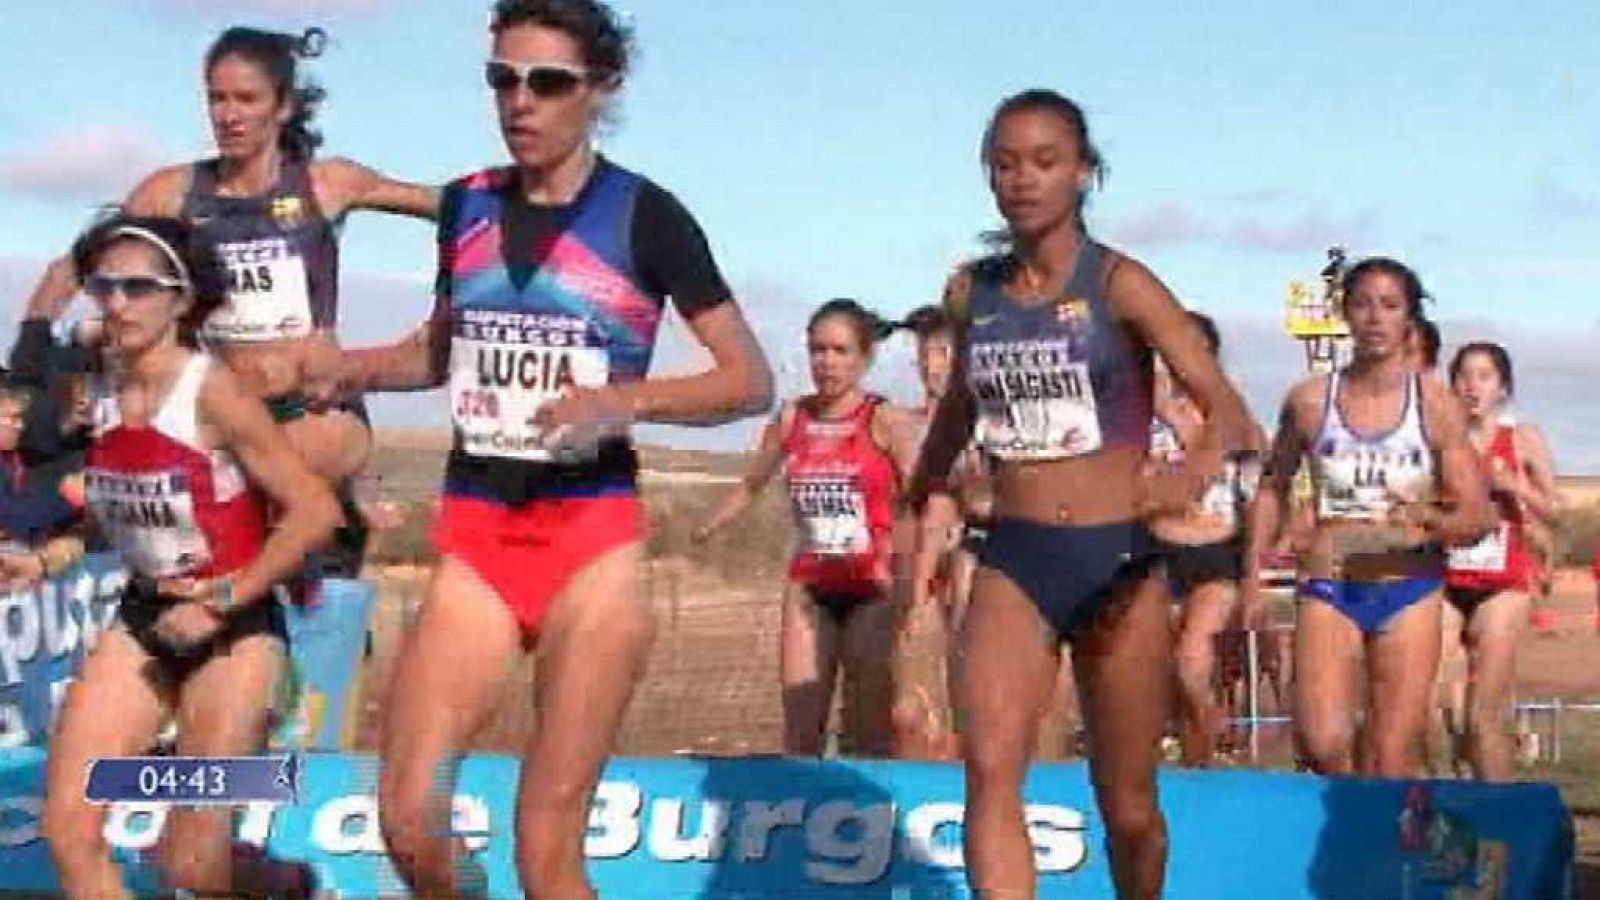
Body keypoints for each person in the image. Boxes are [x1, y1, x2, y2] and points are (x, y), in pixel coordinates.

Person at [331, 2, 772, 894]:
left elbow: (749, 381)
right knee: (409, 822)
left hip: (591, 548)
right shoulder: (468, 208)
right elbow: (439, 350)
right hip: (477, 540)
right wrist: (337, 369)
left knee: (546, 847)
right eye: (503, 78)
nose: (519, 101)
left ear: (598, 90)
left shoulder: (647, 215)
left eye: (548, 82)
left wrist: (623, 400)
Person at [910, 89, 1258, 900]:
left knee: (1128, 805)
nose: (1023, 179)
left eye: (1045, 161)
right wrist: (925, 483)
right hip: (1017, 557)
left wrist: (1186, 476)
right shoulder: (972, 292)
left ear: (1083, 172)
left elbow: (1229, 412)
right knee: (991, 775)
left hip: (1118, 560)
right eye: (1005, 163)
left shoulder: (1121, 283)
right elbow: (961, 404)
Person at [22, 24, 437, 578]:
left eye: (247, 99)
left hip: (310, 412)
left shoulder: (326, 184)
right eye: (217, 98)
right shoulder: (172, 192)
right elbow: (79, 262)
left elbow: (457, 209)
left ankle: (329, 525)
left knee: (249, 500)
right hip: (219, 410)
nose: (229, 115)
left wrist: (462, 298)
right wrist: (34, 331)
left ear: (283, 106)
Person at [38, 215, 340, 898]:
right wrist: (49, 556)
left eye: (139, 286)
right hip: (144, 618)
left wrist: (224, 601)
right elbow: (124, 506)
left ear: (182, 299)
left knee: (191, 865)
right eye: (103, 285)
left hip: (235, 631)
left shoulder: (214, 392)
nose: (117, 302)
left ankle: (286, 887)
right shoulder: (100, 390)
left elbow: (315, 510)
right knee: (68, 832)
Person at [1245, 257, 1492, 779]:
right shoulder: (1311, 400)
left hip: (1409, 584)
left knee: (1390, 756)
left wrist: (1429, 520)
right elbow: (1272, 484)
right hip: (1330, 582)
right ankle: (1353, 807)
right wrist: (1252, 576)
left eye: (1390, 305)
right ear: (1345, 314)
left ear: (1409, 318)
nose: (1375, 317)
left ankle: (1378, 850)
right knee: (1320, 739)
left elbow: (1476, 512)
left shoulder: (1435, 404)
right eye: (1362, 304)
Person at [698, 300, 916, 757]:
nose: (827, 363)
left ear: (864, 358)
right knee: (800, 729)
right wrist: (707, 525)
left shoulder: (882, 420)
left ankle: (873, 816)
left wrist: (913, 570)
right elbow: (752, 482)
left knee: (867, 730)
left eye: (840, 351)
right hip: (810, 587)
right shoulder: (792, 417)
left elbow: (921, 497)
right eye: (818, 350)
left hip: (871, 588)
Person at [1148, 312, 1265, 766]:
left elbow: (1255, 496)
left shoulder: (1234, 420)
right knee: (1152, 674)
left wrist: (1253, 573)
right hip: (1154, 548)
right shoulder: (1141, 416)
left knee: (1193, 662)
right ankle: (1171, 758)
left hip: (1215, 553)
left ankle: (1204, 761)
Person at [1439, 342, 1558, 780]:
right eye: (1464, 376)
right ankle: (1454, 804)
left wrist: (1512, 485)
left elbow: (1555, 510)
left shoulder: (1522, 438)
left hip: (1503, 584)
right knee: (1443, 712)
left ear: (1502, 387)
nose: (1472, 386)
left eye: (1484, 377)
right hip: (1447, 579)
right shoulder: (1442, 443)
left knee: (1482, 716)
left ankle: (1501, 821)